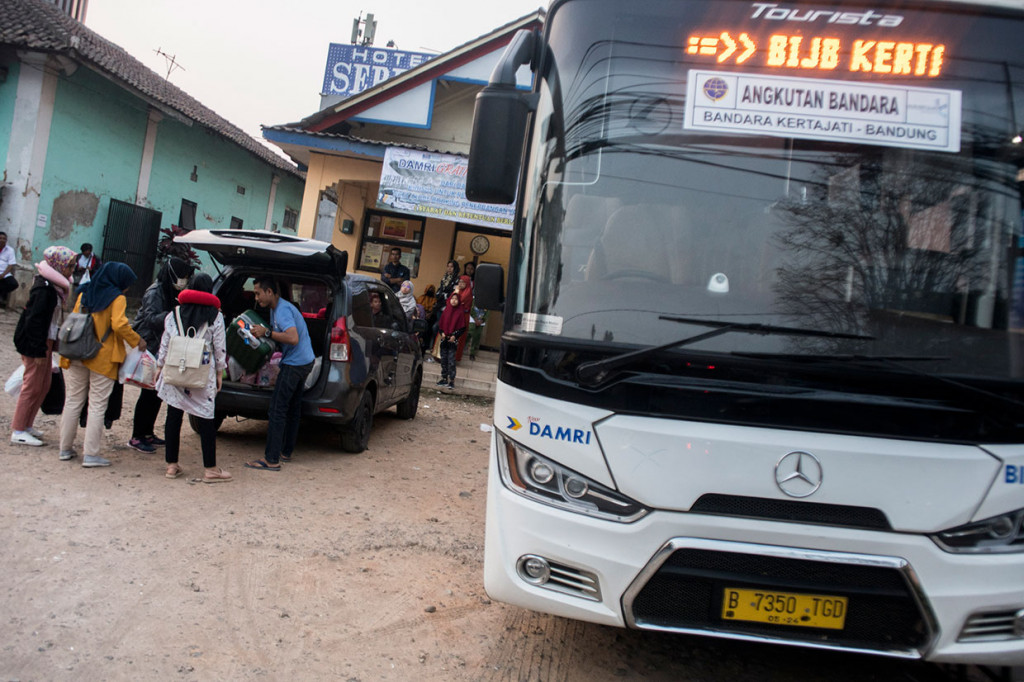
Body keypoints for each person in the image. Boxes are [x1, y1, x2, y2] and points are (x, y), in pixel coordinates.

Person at [58, 262, 145, 467]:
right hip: (102, 356)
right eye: (126, 284)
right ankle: (91, 454)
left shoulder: (85, 292)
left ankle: (65, 448)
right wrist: (136, 341)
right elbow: (119, 324)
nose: (127, 288)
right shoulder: (117, 298)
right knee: (97, 405)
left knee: (73, 401)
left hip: (78, 351)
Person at [156, 273, 231, 483]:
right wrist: (219, 372)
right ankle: (210, 469)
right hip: (201, 373)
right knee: (206, 418)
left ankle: (171, 465)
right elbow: (220, 348)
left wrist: (160, 365)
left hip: (177, 370)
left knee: (173, 414)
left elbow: (166, 341)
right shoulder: (215, 316)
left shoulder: (175, 313)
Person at [244, 276, 315, 472]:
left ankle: (271, 459)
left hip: (295, 364)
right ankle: (286, 451)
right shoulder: (279, 308)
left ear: (269, 292)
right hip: (305, 361)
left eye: (258, 293)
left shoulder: (282, 310)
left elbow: (292, 338)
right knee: (292, 408)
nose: (256, 297)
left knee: (277, 410)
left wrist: (266, 333)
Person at [10, 246, 76, 446]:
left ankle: (27, 425)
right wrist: (38, 350)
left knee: (43, 384)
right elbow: (35, 321)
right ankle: (18, 429)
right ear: (59, 265)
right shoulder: (45, 289)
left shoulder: (54, 286)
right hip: (36, 343)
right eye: (70, 266)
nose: (72, 270)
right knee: (32, 386)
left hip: (44, 341)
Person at [128, 257, 193, 453]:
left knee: (156, 391)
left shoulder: (171, 292)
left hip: (160, 347)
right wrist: (174, 316)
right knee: (147, 393)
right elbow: (149, 318)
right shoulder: (155, 292)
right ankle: (137, 436)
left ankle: (148, 433)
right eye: (182, 277)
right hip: (149, 345)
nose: (184, 281)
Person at [436, 291, 467, 389]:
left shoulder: (460, 312)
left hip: (453, 340)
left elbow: (462, 328)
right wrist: (443, 333)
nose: (454, 301)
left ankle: (451, 380)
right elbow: (440, 325)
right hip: (444, 339)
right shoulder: (446, 311)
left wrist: (455, 336)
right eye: (452, 299)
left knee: (451, 361)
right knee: (443, 359)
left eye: (456, 299)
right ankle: (444, 378)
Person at [454, 274, 474, 362]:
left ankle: (455, 357)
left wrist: (456, 292)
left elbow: (457, 301)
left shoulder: (468, 292)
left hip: (462, 318)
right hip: (454, 316)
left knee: (459, 337)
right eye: (460, 281)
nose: (460, 283)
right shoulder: (459, 290)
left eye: (463, 282)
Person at [0, 231, 18, 310]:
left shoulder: (10, 250)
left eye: (4, 239)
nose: (2, 240)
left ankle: (1, 295)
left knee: (13, 284)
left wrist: (3, 275)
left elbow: (11, 264)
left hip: (4, 273)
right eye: (0, 238)